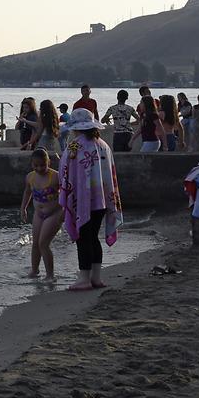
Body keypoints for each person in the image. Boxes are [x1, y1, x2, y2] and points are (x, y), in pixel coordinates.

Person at [59, 108, 122, 291]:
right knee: (93, 237)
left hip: (82, 198)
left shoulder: (74, 146)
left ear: (76, 128)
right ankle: (96, 277)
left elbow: (65, 168)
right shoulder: (103, 144)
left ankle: (84, 278)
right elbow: (110, 172)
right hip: (102, 198)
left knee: (83, 237)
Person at [19, 149, 63, 282]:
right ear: (32, 164)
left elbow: (68, 192)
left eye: (43, 165)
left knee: (43, 243)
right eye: (36, 165)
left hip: (54, 213)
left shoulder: (55, 176)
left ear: (48, 162)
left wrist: (67, 211)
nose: (39, 168)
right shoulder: (30, 177)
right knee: (35, 244)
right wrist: (23, 208)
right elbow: (27, 192)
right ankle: (34, 270)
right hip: (38, 214)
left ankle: (50, 275)